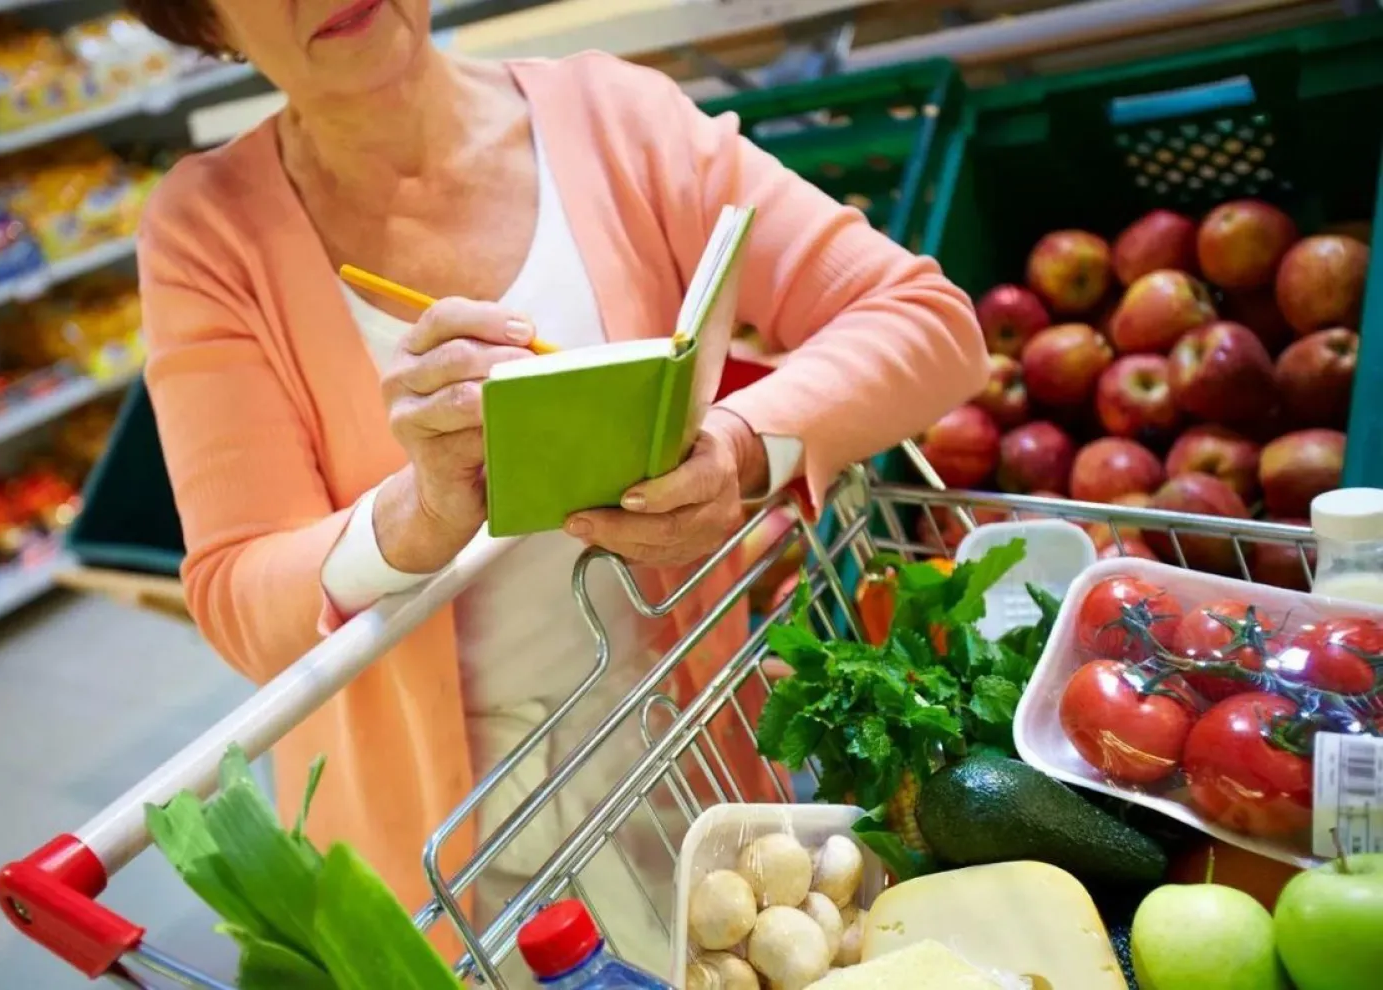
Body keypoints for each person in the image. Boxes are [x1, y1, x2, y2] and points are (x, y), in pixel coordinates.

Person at [128, 0, 988, 975]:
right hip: (434, 858)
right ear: (198, 18)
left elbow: (925, 319)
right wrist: (413, 518)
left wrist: (746, 447)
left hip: (691, 776)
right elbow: (239, 596)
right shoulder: (209, 232)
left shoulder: (616, 120)